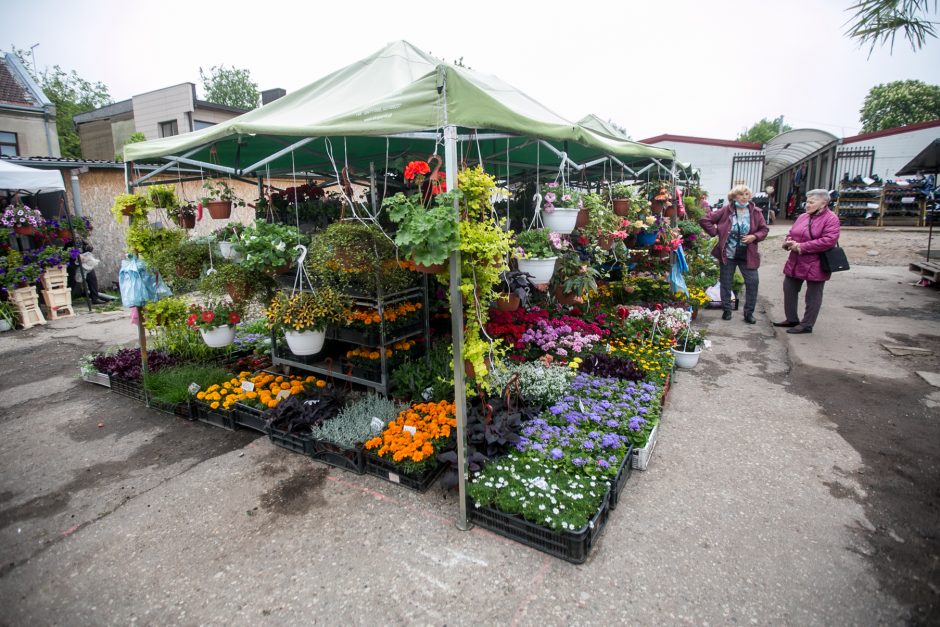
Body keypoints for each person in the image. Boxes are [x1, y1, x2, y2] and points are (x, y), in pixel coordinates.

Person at [699, 184, 769, 323]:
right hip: (728, 253)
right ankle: (727, 310)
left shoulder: (756, 212)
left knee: (752, 282)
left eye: (746, 195)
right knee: (726, 283)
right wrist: (715, 232)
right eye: (740, 194)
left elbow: (764, 229)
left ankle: (749, 313)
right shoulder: (726, 210)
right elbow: (705, 220)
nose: (744, 197)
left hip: (747, 254)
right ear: (734, 197)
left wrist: (754, 237)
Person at [774, 189, 841, 334]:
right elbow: (792, 233)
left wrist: (801, 246)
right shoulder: (803, 217)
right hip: (796, 259)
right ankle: (791, 319)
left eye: (811, 202)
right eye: (807, 202)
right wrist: (788, 242)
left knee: (813, 294)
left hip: (816, 262)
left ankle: (807, 324)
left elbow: (828, 241)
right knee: (789, 288)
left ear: (823, 203)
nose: (807, 205)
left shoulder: (831, 218)